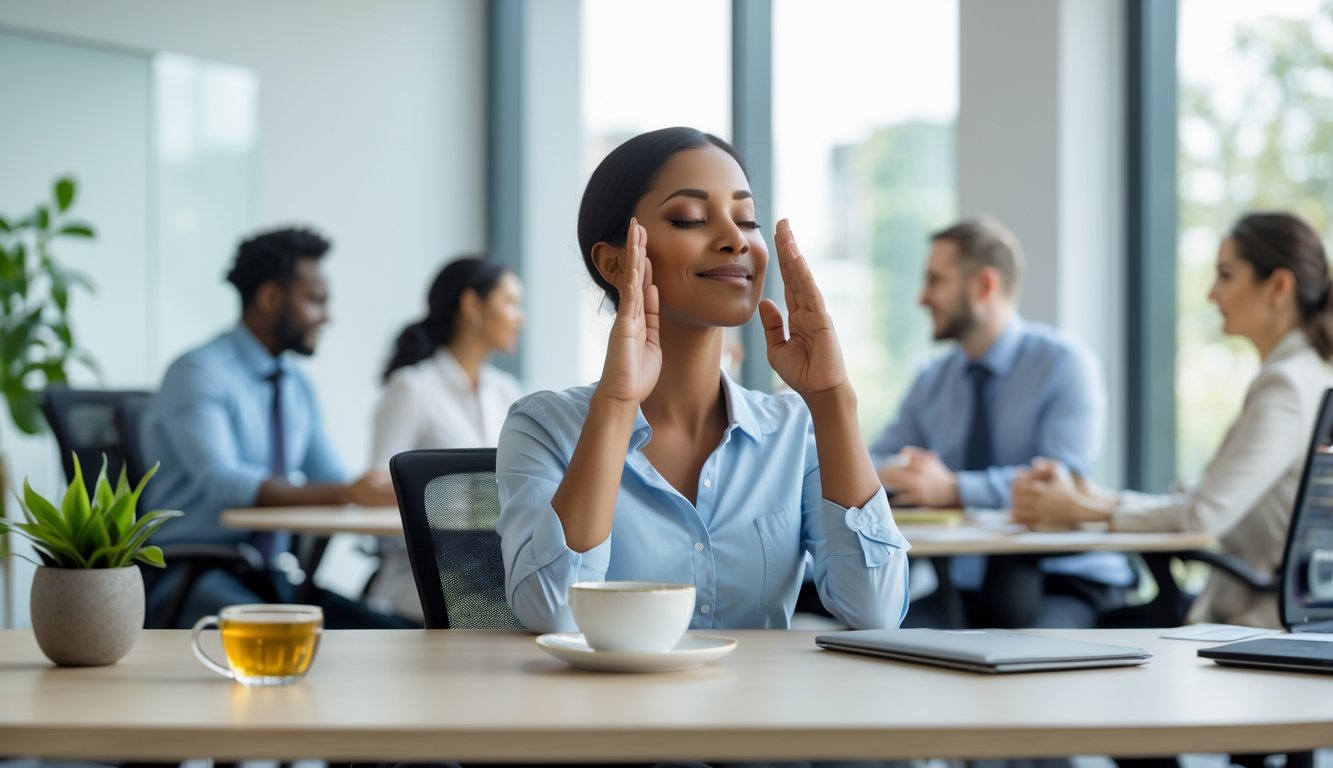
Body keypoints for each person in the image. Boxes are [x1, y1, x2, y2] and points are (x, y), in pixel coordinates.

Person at [496, 127, 910, 633]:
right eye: (690, 218)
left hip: (759, 690)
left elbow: (875, 611)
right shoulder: (543, 427)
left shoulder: (793, 430)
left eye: (747, 219)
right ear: (613, 262)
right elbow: (553, 612)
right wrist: (618, 403)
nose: (736, 239)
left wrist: (832, 400)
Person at [1012, 211, 1333, 628]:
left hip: (1255, 621)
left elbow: (1202, 516)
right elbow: (1201, 500)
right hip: (1273, 612)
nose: (1212, 294)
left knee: (1069, 631)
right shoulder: (1309, 373)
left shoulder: (1286, 386)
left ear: (1278, 286)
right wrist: (1095, 500)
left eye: (1226, 275)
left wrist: (1081, 510)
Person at [141, 226, 411, 629]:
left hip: (267, 577)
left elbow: (331, 477)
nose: (327, 316)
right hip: (189, 574)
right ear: (270, 297)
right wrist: (346, 492)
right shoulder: (198, 372)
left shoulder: (295, 383)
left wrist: (370, 489)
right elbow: (223, 481)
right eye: (315, 301)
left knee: (395, 634)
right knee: (292, 639)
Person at [868, 218, 1132, 629]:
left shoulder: (1064, 364)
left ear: (983, 286)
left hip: (1063, 579)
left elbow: (1063, 482)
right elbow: (876, 461)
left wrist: (952, 490)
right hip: (964, 589)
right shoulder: (932, 380)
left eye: (935, 280)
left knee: (1029, 655)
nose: (922, 298)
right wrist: (896, 474)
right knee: (878, 643)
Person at [365, 256, 525, 621]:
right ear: (472, 306)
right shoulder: (413, 389)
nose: (521, 318)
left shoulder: (506, 392)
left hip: (495, 566)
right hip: (426, 575)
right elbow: (377, 487)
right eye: (511, 303)